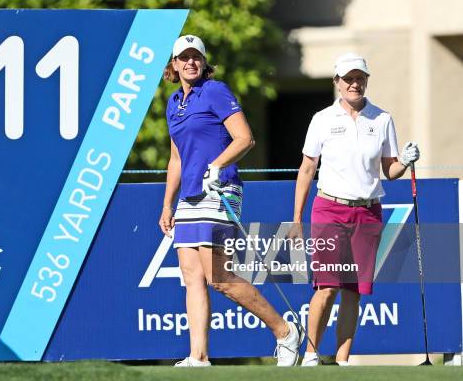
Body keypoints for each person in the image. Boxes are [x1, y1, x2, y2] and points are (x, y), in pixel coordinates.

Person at [159, 34, 303, 367]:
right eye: (184, 57)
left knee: (220, 279)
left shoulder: (215, 91)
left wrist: (217, 165)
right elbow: (176, 160)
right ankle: (199, 356)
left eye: (197, 57)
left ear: (204, 62)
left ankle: (284, 332)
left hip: (219, 190)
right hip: (189, 197)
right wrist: (167, 204)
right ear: (174, 64)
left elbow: (245, 138)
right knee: (191, 277)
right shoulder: (173, 104)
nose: (191, 62)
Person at [290, 53, 420, 366]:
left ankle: (343, 361)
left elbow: (389, 170)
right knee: (327, 285)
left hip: (368, 212)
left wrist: (405, 160)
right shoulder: (322, 119)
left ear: (366, 81)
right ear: (337, 83)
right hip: (329, 209)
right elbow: (307, 168)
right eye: (348, 78)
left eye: (359, 78)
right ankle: (310, 355)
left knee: (353, 290)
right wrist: (296, 219)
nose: (354, 84)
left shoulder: (382, 118)